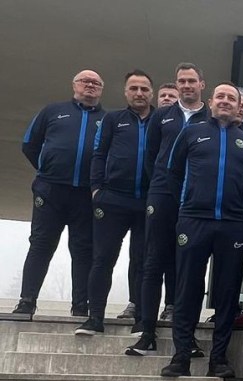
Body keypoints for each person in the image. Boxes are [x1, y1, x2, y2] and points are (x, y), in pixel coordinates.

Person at [159, 82, 243, 378]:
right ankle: (181, 356)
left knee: (227, 292)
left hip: (233, 224)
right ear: (211, 101)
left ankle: (219, 359)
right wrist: (187, 204)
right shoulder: (191, 132)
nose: (226, 101)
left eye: (232, 98)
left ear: (239, 106)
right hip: (194, 220)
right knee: (188, 287)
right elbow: (173, 173)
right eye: (221, 97)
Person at [125, 63, 207, 356]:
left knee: (190, 267)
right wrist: (163, 182)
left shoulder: (208, 118)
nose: (186, 86)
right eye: (181, 81)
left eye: (191, 81)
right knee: (153, 262)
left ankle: (186, 337)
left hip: (196, 199)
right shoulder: (161, 116)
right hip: (162, 195)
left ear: (201, 84)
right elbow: (151, 156)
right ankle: (146, 331)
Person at [14, 69, 106, 316]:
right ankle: (27, 300)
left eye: (96, 83)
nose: (90, 85)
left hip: (85, 194)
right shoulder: (52, 111)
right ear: (74, 85)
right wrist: (47, 169)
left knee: (83, 249)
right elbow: (29, 144)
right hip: (50, 191)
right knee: (41, 244)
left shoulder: (107, 120)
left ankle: (80, 306)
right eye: (85, 81)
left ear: (101, 89)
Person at [74, 70, 152, 336]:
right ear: (126, 92)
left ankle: (141, 320)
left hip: (147, 201)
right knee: (103, 259)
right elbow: (99, 154)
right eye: (134, 88)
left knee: (143, 261)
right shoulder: (112, 119)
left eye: (144, 89)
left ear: (151, 93)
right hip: (113, 200)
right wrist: (96, 189)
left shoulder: (161, 120)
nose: (139, 93)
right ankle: (95, 318)